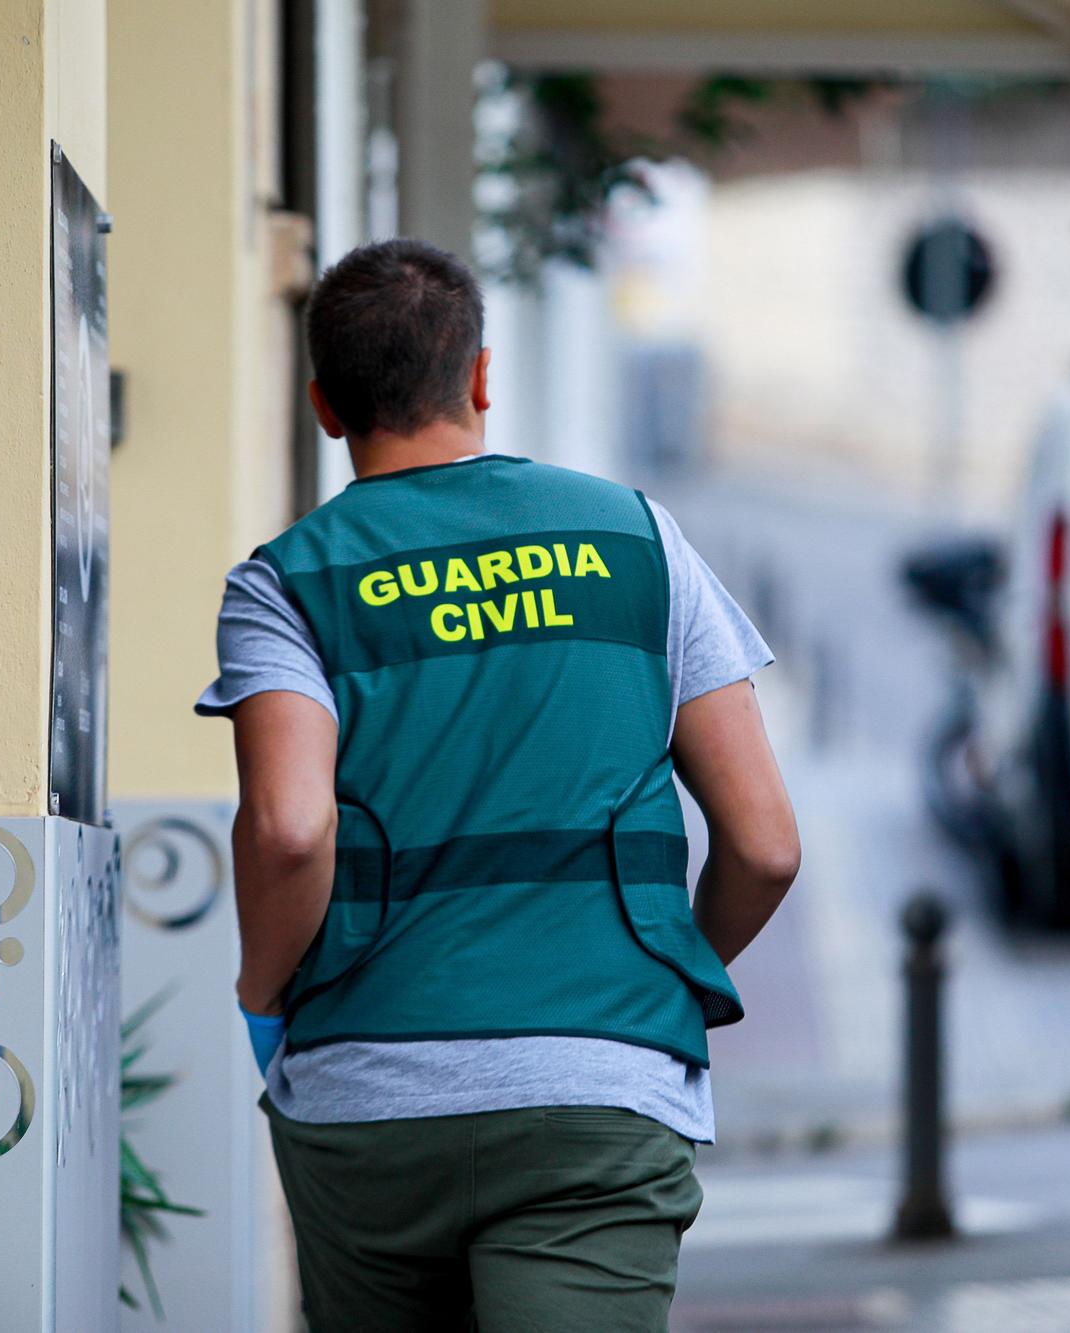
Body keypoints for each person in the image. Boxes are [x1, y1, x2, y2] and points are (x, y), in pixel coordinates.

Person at [196, 238, 800, 1330]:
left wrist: (259, 995)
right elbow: (763, 845)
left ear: (325, 405)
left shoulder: (285, 583)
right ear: (480, 377)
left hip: (368, 1092)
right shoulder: (637, 540)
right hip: (597, 1081)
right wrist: (661, 976)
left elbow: (288, 830)